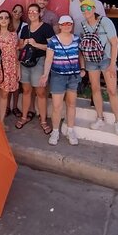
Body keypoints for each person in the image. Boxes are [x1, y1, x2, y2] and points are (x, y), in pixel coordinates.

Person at [79, 0, 118, 135]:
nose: (86, 11)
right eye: (83, 9)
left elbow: (115, 43)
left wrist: (112, 64)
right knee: (95, 89)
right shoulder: (84, 24)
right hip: (91, 61)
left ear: (93, 9)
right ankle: (100, 118)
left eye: (88, 8)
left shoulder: (105, 22)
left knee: (112, 90)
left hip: (106, 60)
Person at [39, 15, 81, 146]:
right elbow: (48, 59)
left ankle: (70, 130)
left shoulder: (77, 39)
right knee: (57, 106)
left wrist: (83, 68)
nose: (67, 26)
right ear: (60, 26)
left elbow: (80, 55)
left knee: (71, 104)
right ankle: (55, 131)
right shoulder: (53, 41)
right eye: (64, 24)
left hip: (73, 76)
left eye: (69, 23)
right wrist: (45, 74)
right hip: (58, 76)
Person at [15, 3, 55, 135]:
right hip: (25, 62)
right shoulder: (25, 28)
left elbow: (52, 47)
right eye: (30, 11)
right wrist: (24, 43)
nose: (32, 13)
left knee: (41, 92)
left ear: (39, 13)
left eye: (34, 11)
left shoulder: (46, 28)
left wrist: (36, 44)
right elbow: (20, 46)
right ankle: (24, 117)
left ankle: (43, 120)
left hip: (40, 62)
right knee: (26, 91)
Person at [8, 4, 28, 118]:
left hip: (19, 58)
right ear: (12, 11)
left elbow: (23, 43)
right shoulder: (7, 23)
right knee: (6, 83)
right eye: (15, 11)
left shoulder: (24, 26)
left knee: (16, 84)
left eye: (19, 12)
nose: (17, 14)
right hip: (6, 58)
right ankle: (6, 107)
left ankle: (14, 107)